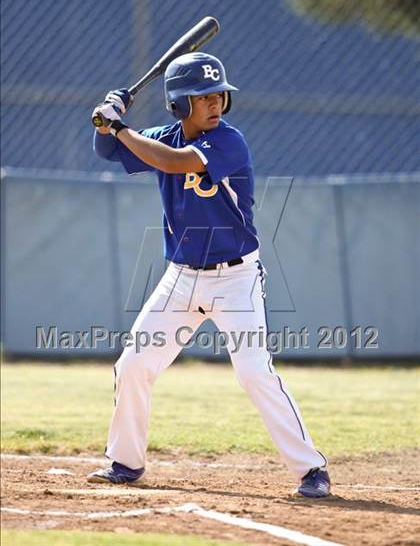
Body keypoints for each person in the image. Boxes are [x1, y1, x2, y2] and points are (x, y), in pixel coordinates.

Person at [87, 52, 331, 498]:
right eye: (203, 97)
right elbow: (109, 150)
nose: (215, 103)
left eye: (219, 95)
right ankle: (125, 462)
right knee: (135, 363)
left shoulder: (229, 142)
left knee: (253, 372)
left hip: (235, 278)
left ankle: (312, 469)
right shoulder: (162, 135)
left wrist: (121, 126)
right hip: (180, 278)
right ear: (180, 104)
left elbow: (174, 162)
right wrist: (110, 117)